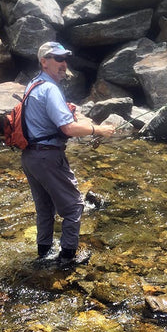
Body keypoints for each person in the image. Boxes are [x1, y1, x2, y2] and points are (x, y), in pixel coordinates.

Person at [21, 41, 115, 265]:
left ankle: (44, 253)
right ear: (44, 62)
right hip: (48, 157)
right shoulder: (50, 88)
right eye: (58, 59)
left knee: (45, 208)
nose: (63, 64)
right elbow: (68, 129)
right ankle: (68, 258)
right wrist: (98, 129)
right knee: (74, 206)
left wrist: (74, 112)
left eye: (65, 59)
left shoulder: (33, 84)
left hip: (30, 157)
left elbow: (49, 115)